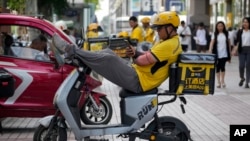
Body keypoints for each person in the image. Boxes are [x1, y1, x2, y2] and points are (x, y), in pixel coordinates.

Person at [51, 11, 182, 93]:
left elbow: (142, 62)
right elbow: (147, 57)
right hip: (138, 74)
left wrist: (136, 56)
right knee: (109, 52)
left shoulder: (169, 44)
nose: (157, 31)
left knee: (109, 59)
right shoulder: (168, 42)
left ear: (169, 28)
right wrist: (136, 53)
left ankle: (71, 50)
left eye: (159, 29)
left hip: (140, 81)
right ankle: (78, 56)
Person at [208, 21, 231, 88]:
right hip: (217, 53)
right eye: (219, 26)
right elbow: (212, 42)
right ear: (216, 27)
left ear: (223, 27)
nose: (220, 27)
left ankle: (223, 81)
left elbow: (229, 43)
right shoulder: (215, 34)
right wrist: (210, 49)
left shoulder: (226, 34)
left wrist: (230, 53)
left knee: (223, 67)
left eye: (221, 26)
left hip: (224, 53)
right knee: (217, 68)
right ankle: (218, 82)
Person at [232, 17, 250, 88]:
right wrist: (234, 50)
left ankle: (247, 83)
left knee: (248, 66)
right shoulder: (240, 31)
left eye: (246, 22)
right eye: (244, 22)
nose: (245, 23)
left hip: (249, 50)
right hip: (241, 50)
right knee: (241, 66)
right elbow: (237, 42)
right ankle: (242, 78)